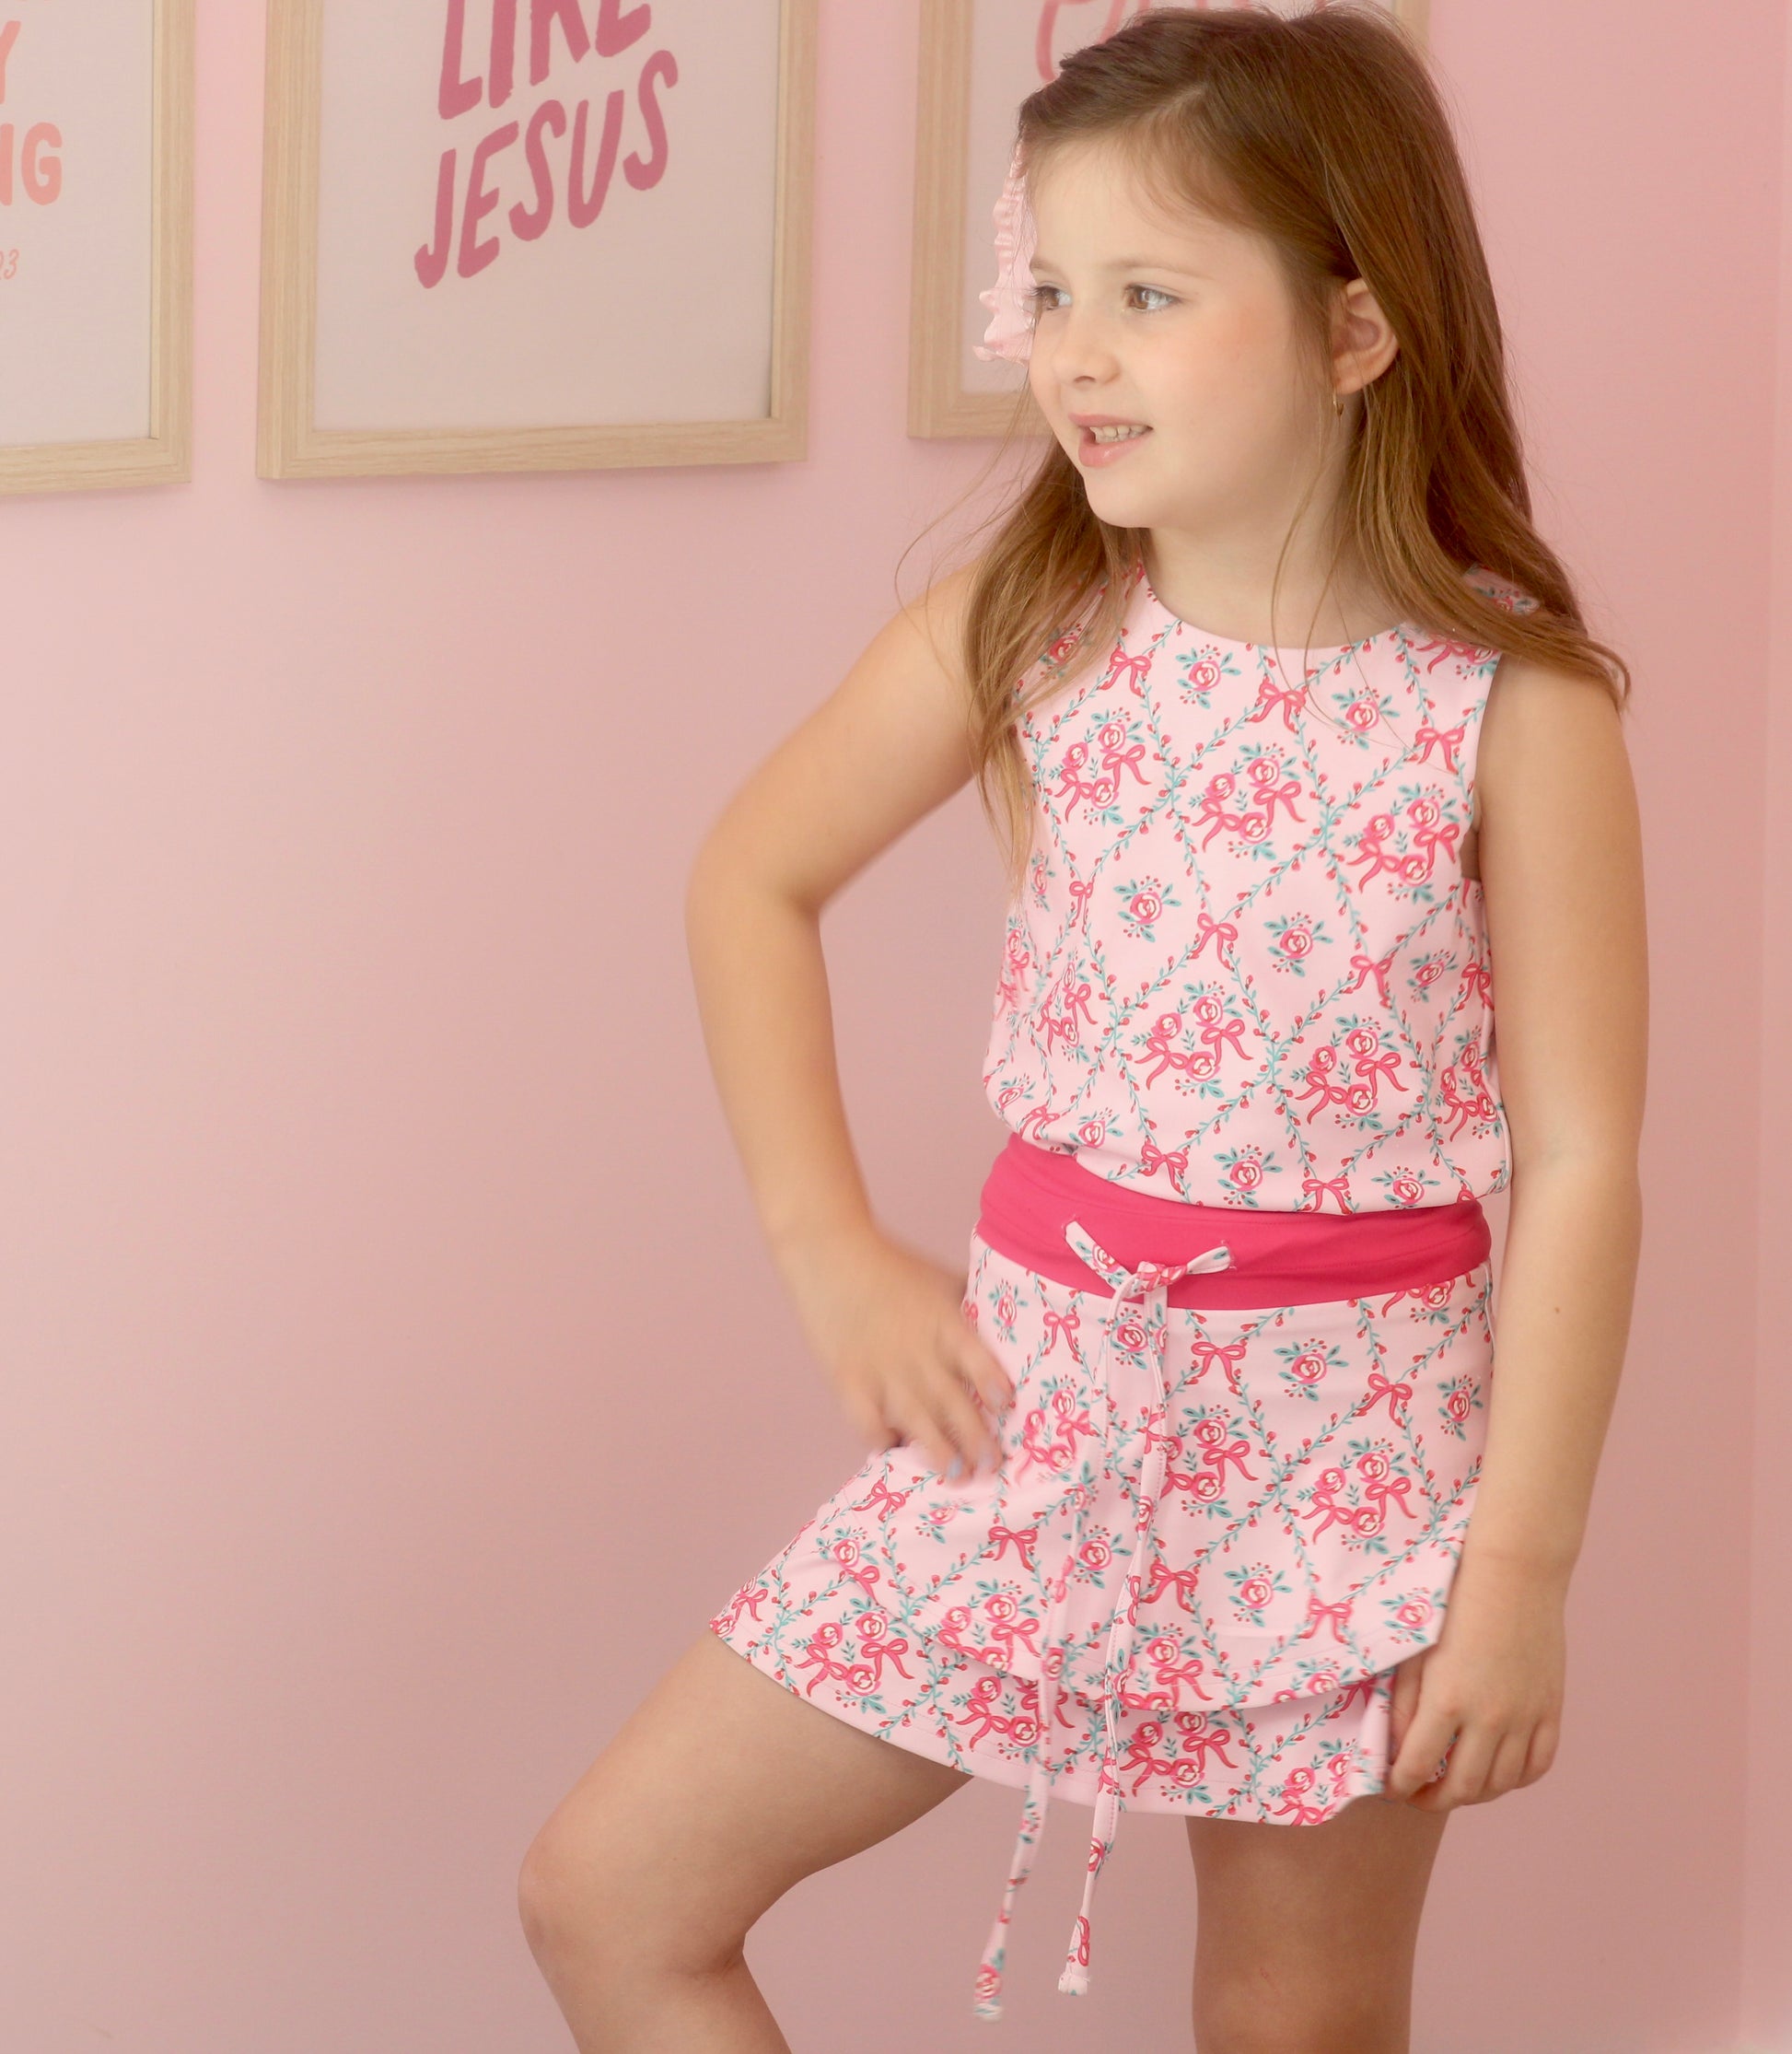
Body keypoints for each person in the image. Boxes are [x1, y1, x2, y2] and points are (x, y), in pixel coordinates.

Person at [516, 6, 1647, 2048]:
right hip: (1033, 1417)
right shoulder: (1025, 630)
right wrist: (829, 1246)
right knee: (612, 1892)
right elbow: (748, 877)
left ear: (1353, 330)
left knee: (1293, 2023)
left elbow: (1579, 1156)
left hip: (1350, 1476)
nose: (1073, 354)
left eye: (1145, 294)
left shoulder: (1512, 706)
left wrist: (1519, 1571)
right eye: (1048, 293)